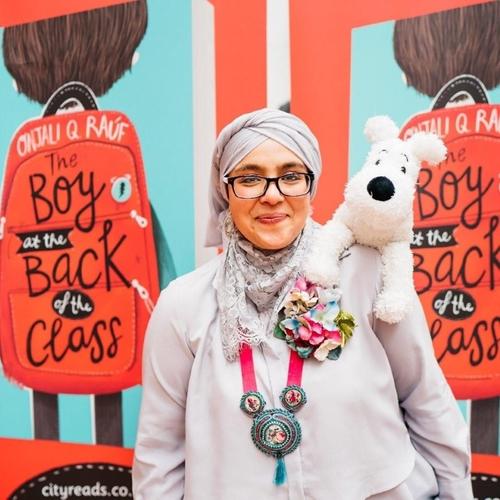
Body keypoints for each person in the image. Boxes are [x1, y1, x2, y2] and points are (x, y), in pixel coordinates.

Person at [132, 108, 473, 499]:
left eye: (291, 176)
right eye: (250, 178)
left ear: (311, 185)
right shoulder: (182, 305)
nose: (272, 195)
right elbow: (159, 455)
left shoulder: (368, 274)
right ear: (225, 190)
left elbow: (427, 401)